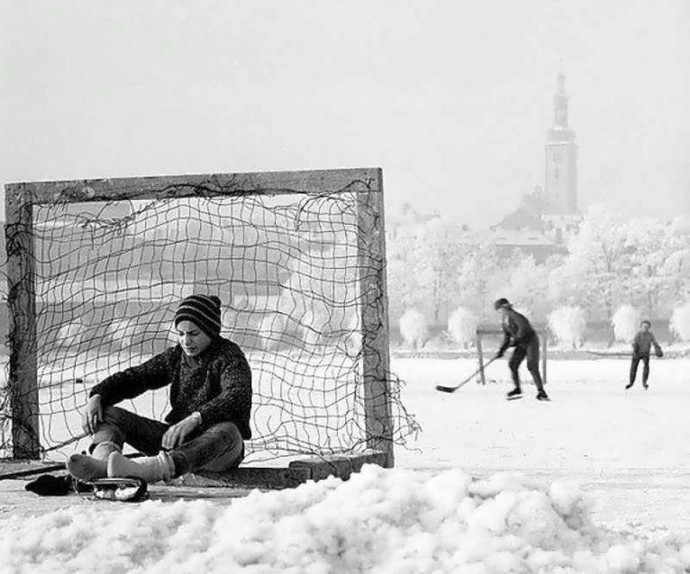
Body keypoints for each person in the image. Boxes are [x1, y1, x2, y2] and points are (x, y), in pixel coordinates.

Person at [67, 294, 252, 484]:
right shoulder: (176, 357)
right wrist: (98, 395)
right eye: (181, 334)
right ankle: (104, 466)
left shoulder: (229, 356)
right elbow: (137, 377)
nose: (186, 341)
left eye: (193, 334)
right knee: (109, 415)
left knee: (229, 431)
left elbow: (237, 393)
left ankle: (153, 470)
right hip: (176, 441)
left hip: (218, 450)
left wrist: (196, 418)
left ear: (211, 331)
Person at [494, 298, 549, 401]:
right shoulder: (504, 321)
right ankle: (517, 389)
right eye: (499, 310)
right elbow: (507, 338)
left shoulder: (515, 316)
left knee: (532, 366)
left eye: (501, 309)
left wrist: (516, 340)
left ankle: (541, 392)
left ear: (505, 307)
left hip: (530, 342)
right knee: (513, 364)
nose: (501, 311)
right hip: (521, 343)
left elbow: (524, 329)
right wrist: (501, 351)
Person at [626, 320, 663, 390]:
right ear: (641, 327)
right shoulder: (638, 334)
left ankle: (644, 382)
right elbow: (633, 342)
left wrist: (657, 348)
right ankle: (631, 382)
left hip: (646, 353)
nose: (645, 328)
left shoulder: (650, 335)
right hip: (637, 353)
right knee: (633, 368)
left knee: (646, 367)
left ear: (649, 328)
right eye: (644, 327)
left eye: (647, 327)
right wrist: (635, 347)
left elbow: (654, 342)